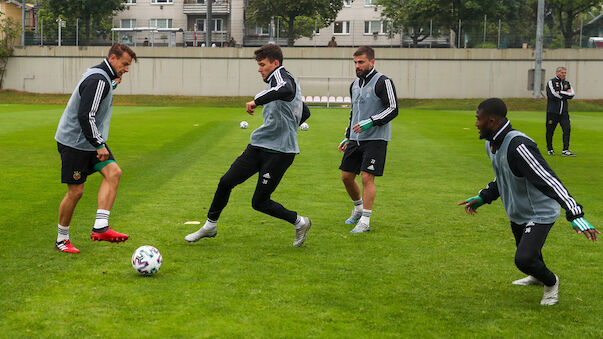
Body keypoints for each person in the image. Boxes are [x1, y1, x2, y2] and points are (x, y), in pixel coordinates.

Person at [458, 98, 599, 306]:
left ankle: (551, 283)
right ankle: (536, 276)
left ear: (492, 121)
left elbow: (549, 179)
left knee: (524, 259)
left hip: (540, 212)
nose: (476, 123)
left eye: (478, 119)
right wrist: (483, 197)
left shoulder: (519, 146)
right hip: (518, 212)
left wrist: (575, 213)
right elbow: (504, 176)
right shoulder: (491, 143)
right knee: (528, 260)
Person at [185, 44, 312, 247]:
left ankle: (300, 222)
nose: (259, 69)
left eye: (262, 64)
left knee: (260, 202)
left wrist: (256, 101)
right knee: (226, 182)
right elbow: (304, 112)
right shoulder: (277, 83)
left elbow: (285, 88)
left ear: (275, 63)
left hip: (279, 153)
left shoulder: (282, 78)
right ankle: (210, 225)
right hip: (259, 145)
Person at [53, 43, 137, 253]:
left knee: (113, 172)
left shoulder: (101, 76)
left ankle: (100, 227)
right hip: (75, 142)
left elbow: (100, 93)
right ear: (112, 58)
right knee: (76, 192)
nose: (126, 69)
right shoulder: (98, 79)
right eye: (124, 64)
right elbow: (86, 115)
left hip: (88, 140)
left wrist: (114, 83)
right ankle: (62, 239)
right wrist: (99, 144)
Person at [337, 46, 398, 233]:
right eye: (355, 62)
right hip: (355, 139)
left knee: (366, 177)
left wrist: (370, 122)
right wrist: (347, 136)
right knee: (346, 177)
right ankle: (358, 209)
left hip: (376, 138)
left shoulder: (383, 82)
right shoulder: (354, 84)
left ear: (372, 62)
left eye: (361, 62)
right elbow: (353, 112)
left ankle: (365, 221)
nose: (357, 65)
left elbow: (392, 109)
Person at [545, 66, 575, 156]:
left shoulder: (567, 83)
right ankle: (550, 149)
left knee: (567, 130)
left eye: (565, 73)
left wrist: (561, 92)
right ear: (557, 73)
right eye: (562, 73)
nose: (564, 74)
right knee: (550, 131)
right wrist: (565, 94)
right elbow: (552, 95)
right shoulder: (551, 82)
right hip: (552, 112)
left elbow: (572, 94)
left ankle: (565, 150)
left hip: (564, 113)